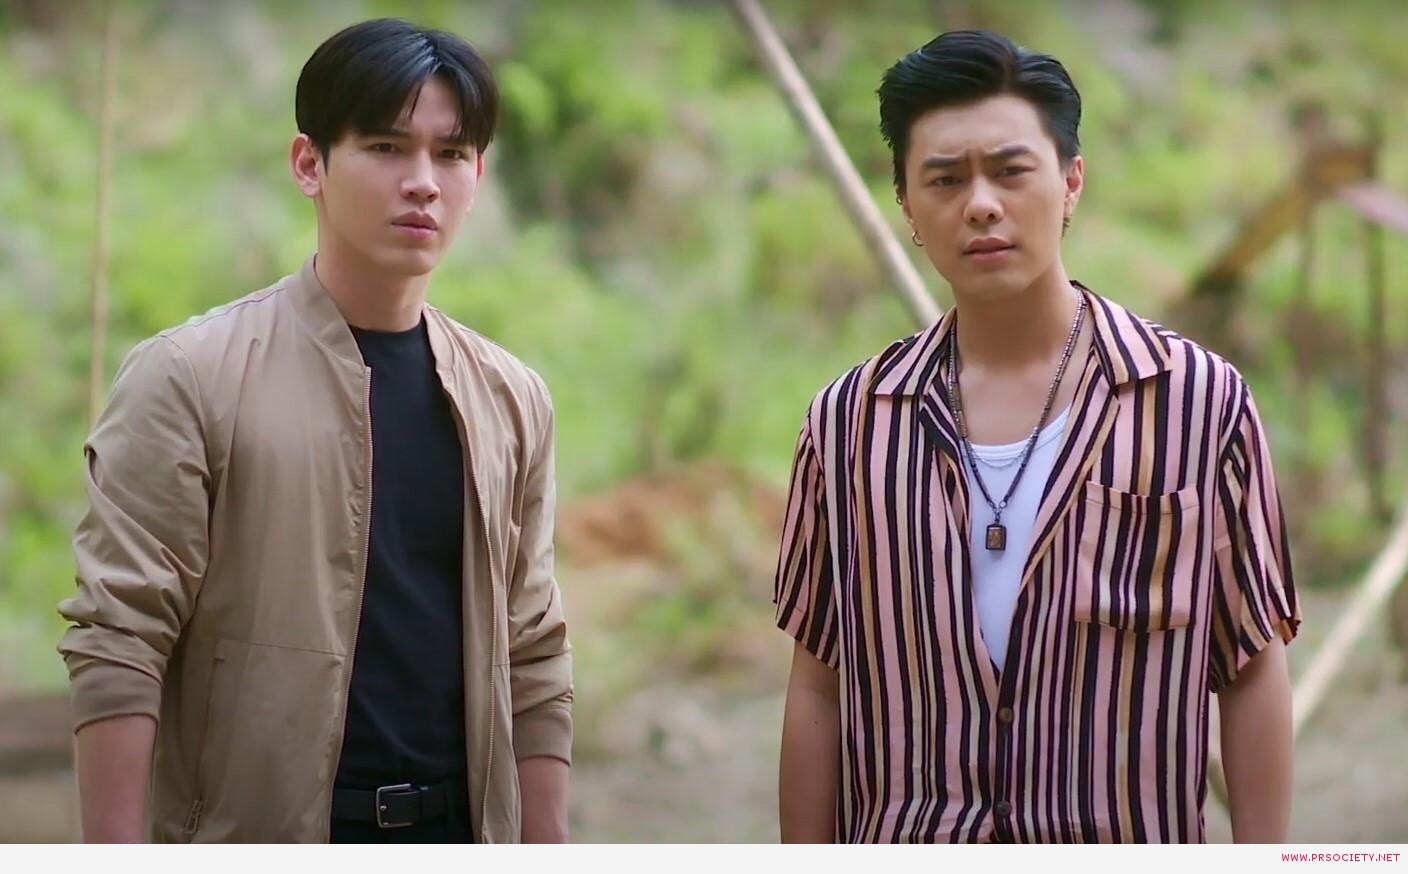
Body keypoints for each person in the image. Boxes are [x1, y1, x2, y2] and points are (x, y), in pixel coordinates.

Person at [773, 29, 1299, 844]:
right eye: (945, 180)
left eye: (1011, 171)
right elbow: (817, 686)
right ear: (908, 206)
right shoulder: (849, 425)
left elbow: (1252, 667)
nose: (981, 203)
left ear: (1071, 181)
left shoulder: (1196, 404)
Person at [57, 18, 572, 844]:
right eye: (386, 148)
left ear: (477, 174)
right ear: (310, 164)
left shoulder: (510, 399)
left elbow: (535, 654)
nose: (422, 183)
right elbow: (121, 639)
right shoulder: (189, 376)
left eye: (449, 154)